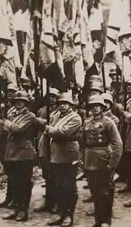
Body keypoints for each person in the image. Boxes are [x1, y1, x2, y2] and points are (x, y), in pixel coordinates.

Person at [0, 90, 36, 222]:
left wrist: (3, 122)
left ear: (26, 103)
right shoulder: (11, 114)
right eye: (16, 102)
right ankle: (16, 208)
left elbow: (17, 129)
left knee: (24, 182)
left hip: (24, 152)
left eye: (21, 101)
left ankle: (23, 210)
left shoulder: (30, 116)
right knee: (15, 182)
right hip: (12, 151)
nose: (18, 103)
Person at [42, 91, 82, 227]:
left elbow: (63, 132)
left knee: (69, 186)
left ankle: (69, 215)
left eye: (65, 103)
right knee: (58, 185)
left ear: (70, 105)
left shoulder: (75, 118)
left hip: (69, 154)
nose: (63, 106)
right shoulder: (55, 116)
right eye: (60, 103)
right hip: (56, 154)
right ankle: (61, 213)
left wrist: (49, 129)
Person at [83, 95, 123, 227]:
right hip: (90, 161)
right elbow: (82, 142)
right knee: (94, 191)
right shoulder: (87, 122)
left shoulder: (108, 123)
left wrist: (112, 164)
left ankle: (105, 220)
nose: (95, 108)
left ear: (102, 107)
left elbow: (118, 145)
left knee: (104, 192)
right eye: (92, 106)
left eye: (97, 106)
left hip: (103, 160)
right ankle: (98, 220)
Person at [34, 87, 61, 213]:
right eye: (49, 97)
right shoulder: (42, 110)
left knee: (56, 176)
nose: (51, 99)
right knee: (47, 176)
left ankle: (57, 202)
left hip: (55, 145)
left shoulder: (60, 111)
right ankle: (49, 202)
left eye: (53, 97)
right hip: (43, 144)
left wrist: (44, 122)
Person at [0, 84, 18, 209]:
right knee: (8, 172)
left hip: (13, 143)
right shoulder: (5, 107)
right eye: (8, 92)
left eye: (12, 93)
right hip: (3, 143)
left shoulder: (18, 109)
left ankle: (15, 198)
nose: (9, 95)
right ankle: (10, 197)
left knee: (15, 172)